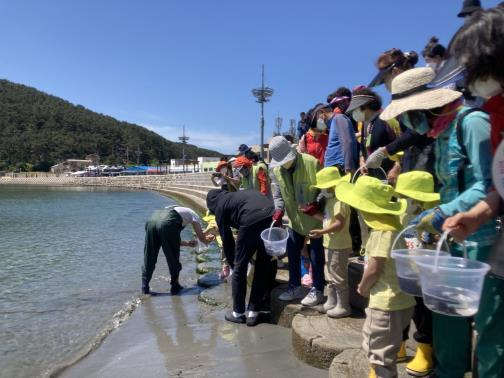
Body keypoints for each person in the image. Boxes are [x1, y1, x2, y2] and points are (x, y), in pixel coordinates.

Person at [381, 67, 497, 378]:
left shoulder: (472, 123)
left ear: (426, 107)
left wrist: (444, 212)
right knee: (446, 312)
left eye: (408, 115)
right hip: (454, 240)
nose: (406, 124)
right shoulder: (440, 136)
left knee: (488, 325)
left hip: (485, 239)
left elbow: (490, 183)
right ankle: (448, 371)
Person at [441, 8, 504, 377]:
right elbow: (499, 185)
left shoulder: (475, 120)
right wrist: (478, 212)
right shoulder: (494, 111)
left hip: (489, 243)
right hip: (497, 245)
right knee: (493, 333)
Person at [336, 175, 414, 378]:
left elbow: (374, 267)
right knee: (389, 349)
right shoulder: (395, 227)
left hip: (385, 304)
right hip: (402, 299)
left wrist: (362, 287)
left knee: (378, 353)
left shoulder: (381, 232)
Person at [206, 189, 277, 326]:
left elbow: (227, 240)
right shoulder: (235, 196)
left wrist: (235, 265)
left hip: (251, 217)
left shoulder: (220, 206)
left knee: (240, 267)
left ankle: (238, 313)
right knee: (263, 265)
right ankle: (253, 312)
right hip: (269, 214)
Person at [269, 136, 326, 306]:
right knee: (292, 251)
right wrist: (279, 209)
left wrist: (317, 204)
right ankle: (295, 286)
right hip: (295, 219)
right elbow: (278, 194)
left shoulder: (312, 163)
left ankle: (318, 289)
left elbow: (325, 189)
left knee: (316, 256)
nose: (285, 164)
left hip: (315, 219)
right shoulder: (277, 171)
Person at [394, 171, 440, 377]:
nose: (405, 200)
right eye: (402, 196)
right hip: (404, 269)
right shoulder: (400, 211)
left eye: (408, 196)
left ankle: (425, 349)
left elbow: (445, 241)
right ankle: (399, 343)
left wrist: (432, 236)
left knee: (423, 311)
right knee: (402, 307)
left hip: (427, 271)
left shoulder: (435, 214)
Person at [308, 167, 352, 318]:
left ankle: (343, 305)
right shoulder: (330, 201)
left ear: (333, 186)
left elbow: (339, 224)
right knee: (330, 274)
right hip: (330, 243)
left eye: (324, 187)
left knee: (338, 275)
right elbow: (328, 220)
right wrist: (313, 214)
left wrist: (321, 232)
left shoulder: (340, 201)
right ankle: (331, 302)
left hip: (340, 244)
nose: (322, 190)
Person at [142, 206, 214, 295]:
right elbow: (201, 238)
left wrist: (187, 243)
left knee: (149, 255)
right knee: (173, 257)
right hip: (167, 224)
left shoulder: (173, 209)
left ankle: (145, 286)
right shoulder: (194, 215)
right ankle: (175, 285)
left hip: (151, 222)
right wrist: (209, 239)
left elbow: (169, 240)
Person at [347, 87, 399, 179]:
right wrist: (362, 160)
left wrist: (397, 167)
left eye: (355, 109)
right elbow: (364, 147)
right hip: (373, 176)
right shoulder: (365, 124)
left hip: (390, 174)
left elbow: (402, 144)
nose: (353, 113)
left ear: (365, 106)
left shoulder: (387, 119)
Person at [324, 87, 359, 174]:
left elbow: (347, 141)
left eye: (344, 101)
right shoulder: (341, 116)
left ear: (349, 100)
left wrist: (348, 166)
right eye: (339, 102)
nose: (341, 104)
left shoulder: (354, 114)